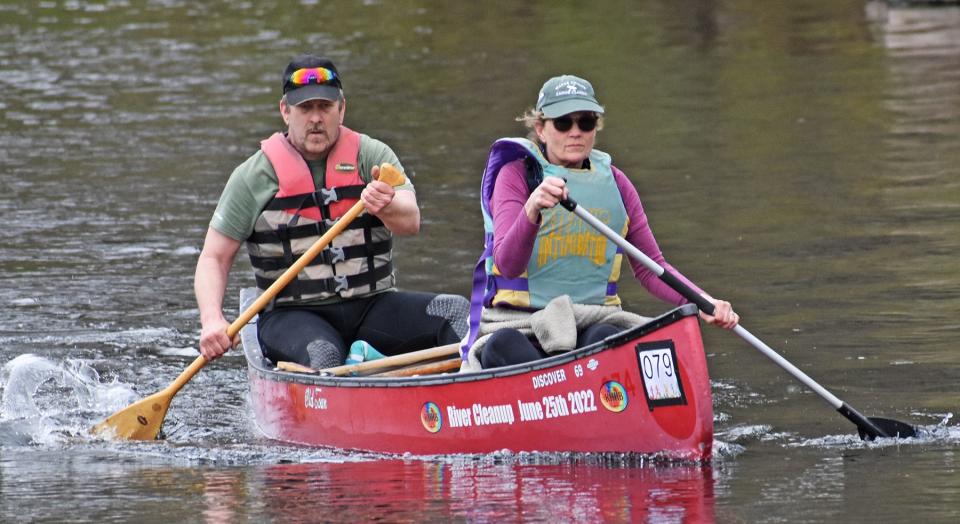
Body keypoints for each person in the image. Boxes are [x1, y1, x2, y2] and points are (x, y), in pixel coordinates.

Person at [195, 54, 468, 368]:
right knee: (325, 355)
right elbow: (214, 257)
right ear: (285, 111)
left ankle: (462, 403)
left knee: (456, 312)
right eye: (305, 108)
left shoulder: (372, 156)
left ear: (342, 109)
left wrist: (387, 204)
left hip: (371, 307)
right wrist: (212, 319)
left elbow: (410, 220)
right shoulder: (253, 177)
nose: (315, 118)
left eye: (324, 107)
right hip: (292, 317)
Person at [462, 74, 739, 370]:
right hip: (521, 324)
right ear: (541, 129)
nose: (576, 132)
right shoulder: (515, 176)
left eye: (586, 122)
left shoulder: (618, 184)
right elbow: (508, 264)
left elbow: (652, 267)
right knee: (503, 347)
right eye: (564, 122)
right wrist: (531, 209)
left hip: (592, 319)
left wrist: (705, 303)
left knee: (608, 339)